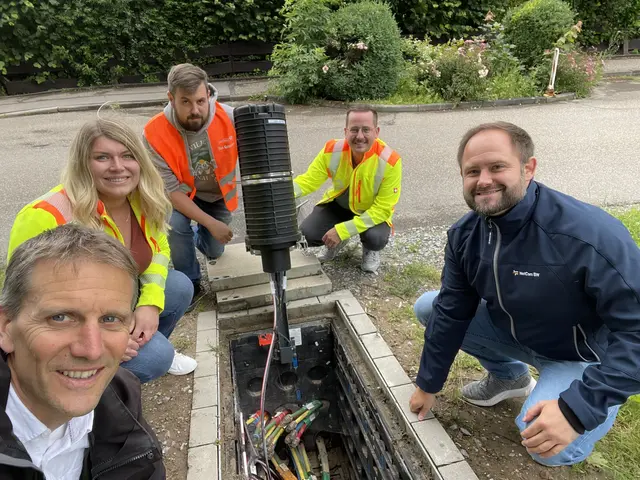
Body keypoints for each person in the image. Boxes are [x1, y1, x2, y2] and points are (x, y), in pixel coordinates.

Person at [409, 121, 640, 467]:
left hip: (580, 355)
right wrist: (428, 383)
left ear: (528, 168)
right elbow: (453, 310)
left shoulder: (587, 234)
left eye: (497, 166)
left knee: (545, 445)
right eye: (472, 171)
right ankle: (510, 378)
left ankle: (586, 397)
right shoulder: (465, 235)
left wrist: (579, 409)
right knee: (430, 306)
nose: (484, 179)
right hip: (520, 334)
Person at [8, 118, 197, 383]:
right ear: (83, 164)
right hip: (71, 329)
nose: (118, 167)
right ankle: (91, 391)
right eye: (102, 157)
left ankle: (134, 351)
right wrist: (108, 337)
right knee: (157, 358)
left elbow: (159, 248)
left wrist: (150, 304)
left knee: (178, 286)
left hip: (115, 302)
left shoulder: (141, 199)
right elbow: (27, 305)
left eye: (127, 156)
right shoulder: (45, 216)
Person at [0, 224, 164, 479]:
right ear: (6, 328)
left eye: (110, 319)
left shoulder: (121, 398)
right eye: (60, 317)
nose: (92, 350)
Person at [143, 63, 238, 308]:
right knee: (174, 225)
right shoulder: (153, 133)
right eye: (185, 102)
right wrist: (210, 223)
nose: (195, 110)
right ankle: (191, 280)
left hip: (217, 197)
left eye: (200, 101)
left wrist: (214, 225)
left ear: (208, 94)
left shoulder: (230, 118)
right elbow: (172, 192)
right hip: (181, 196)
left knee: (216, 251)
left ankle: (198, 236)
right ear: (171, 98)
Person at [293, 106, 402, 273]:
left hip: (371, 213)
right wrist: (279, 193)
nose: (359, 136)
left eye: (366, 130)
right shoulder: (332, 150)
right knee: (307, 234)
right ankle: (338, 240)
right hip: (340, 207)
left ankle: (369, 249)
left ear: (376, 131)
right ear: (345, 131)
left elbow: (382, 209)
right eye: (354, 129)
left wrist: (343, 230)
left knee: (375, 238)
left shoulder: (390, 161)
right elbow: (308, 181)